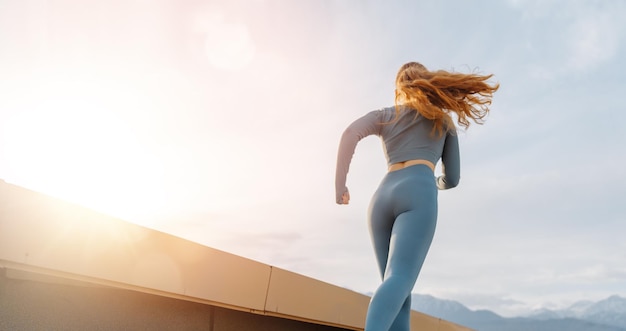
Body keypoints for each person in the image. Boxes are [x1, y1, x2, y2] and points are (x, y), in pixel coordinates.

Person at [335, 62, 499, 331]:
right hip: (418, 191)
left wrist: (340, 186)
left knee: (399, 291)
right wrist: (434, 182)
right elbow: (453, 178)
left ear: (399, 89)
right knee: (400, 279)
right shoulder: (442, 120)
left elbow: (350, 133)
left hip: (381, 198)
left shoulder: (386, 114)